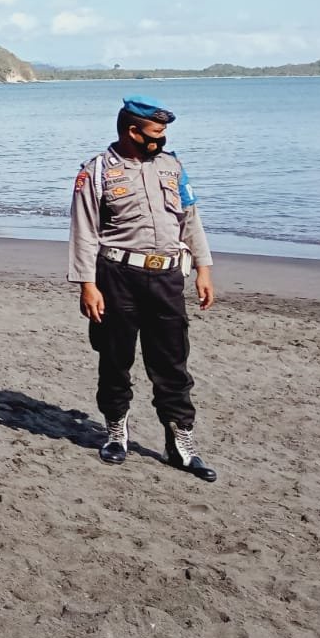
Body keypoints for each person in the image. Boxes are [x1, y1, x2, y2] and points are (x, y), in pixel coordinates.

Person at [69, 95, 217, 482]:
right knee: (116, 359)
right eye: (156, 132)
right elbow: (83, 231)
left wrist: (203, 268)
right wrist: (87, 284)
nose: (162, 138)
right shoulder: (97, 171)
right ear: (133, 131)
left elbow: (190, 219)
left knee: (172, 363)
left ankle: (180, 442)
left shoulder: (172, 167)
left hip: (167, 278)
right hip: (117, 276)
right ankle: (116, 432)